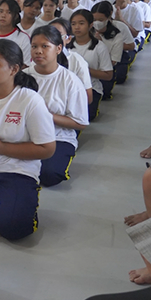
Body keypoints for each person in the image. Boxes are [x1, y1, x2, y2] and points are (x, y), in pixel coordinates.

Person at [0, 39, 56, 240]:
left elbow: (47, 149)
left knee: (15, 227)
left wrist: (2, 148)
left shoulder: (29, 100)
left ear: (14, 69)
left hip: (14, 170)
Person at [24, 26, 89, 187]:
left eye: (45, 46)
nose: (38, 51)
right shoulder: (24, 76)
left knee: (49, 175)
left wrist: (47, 115)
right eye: (34, 46)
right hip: (25, 135)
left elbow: (80, 122)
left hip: (57, 137)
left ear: (58, 48)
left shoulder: (70, 81)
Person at [69, 10, 113, 121]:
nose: (77, 27)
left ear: (90, 25)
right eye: (73, 24)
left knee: (85, 116)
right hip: (68, 87)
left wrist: (83, 70)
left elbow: (108, 75)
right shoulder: (67, 45)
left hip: (91, 87)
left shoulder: (99, 47)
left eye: (81, 23)